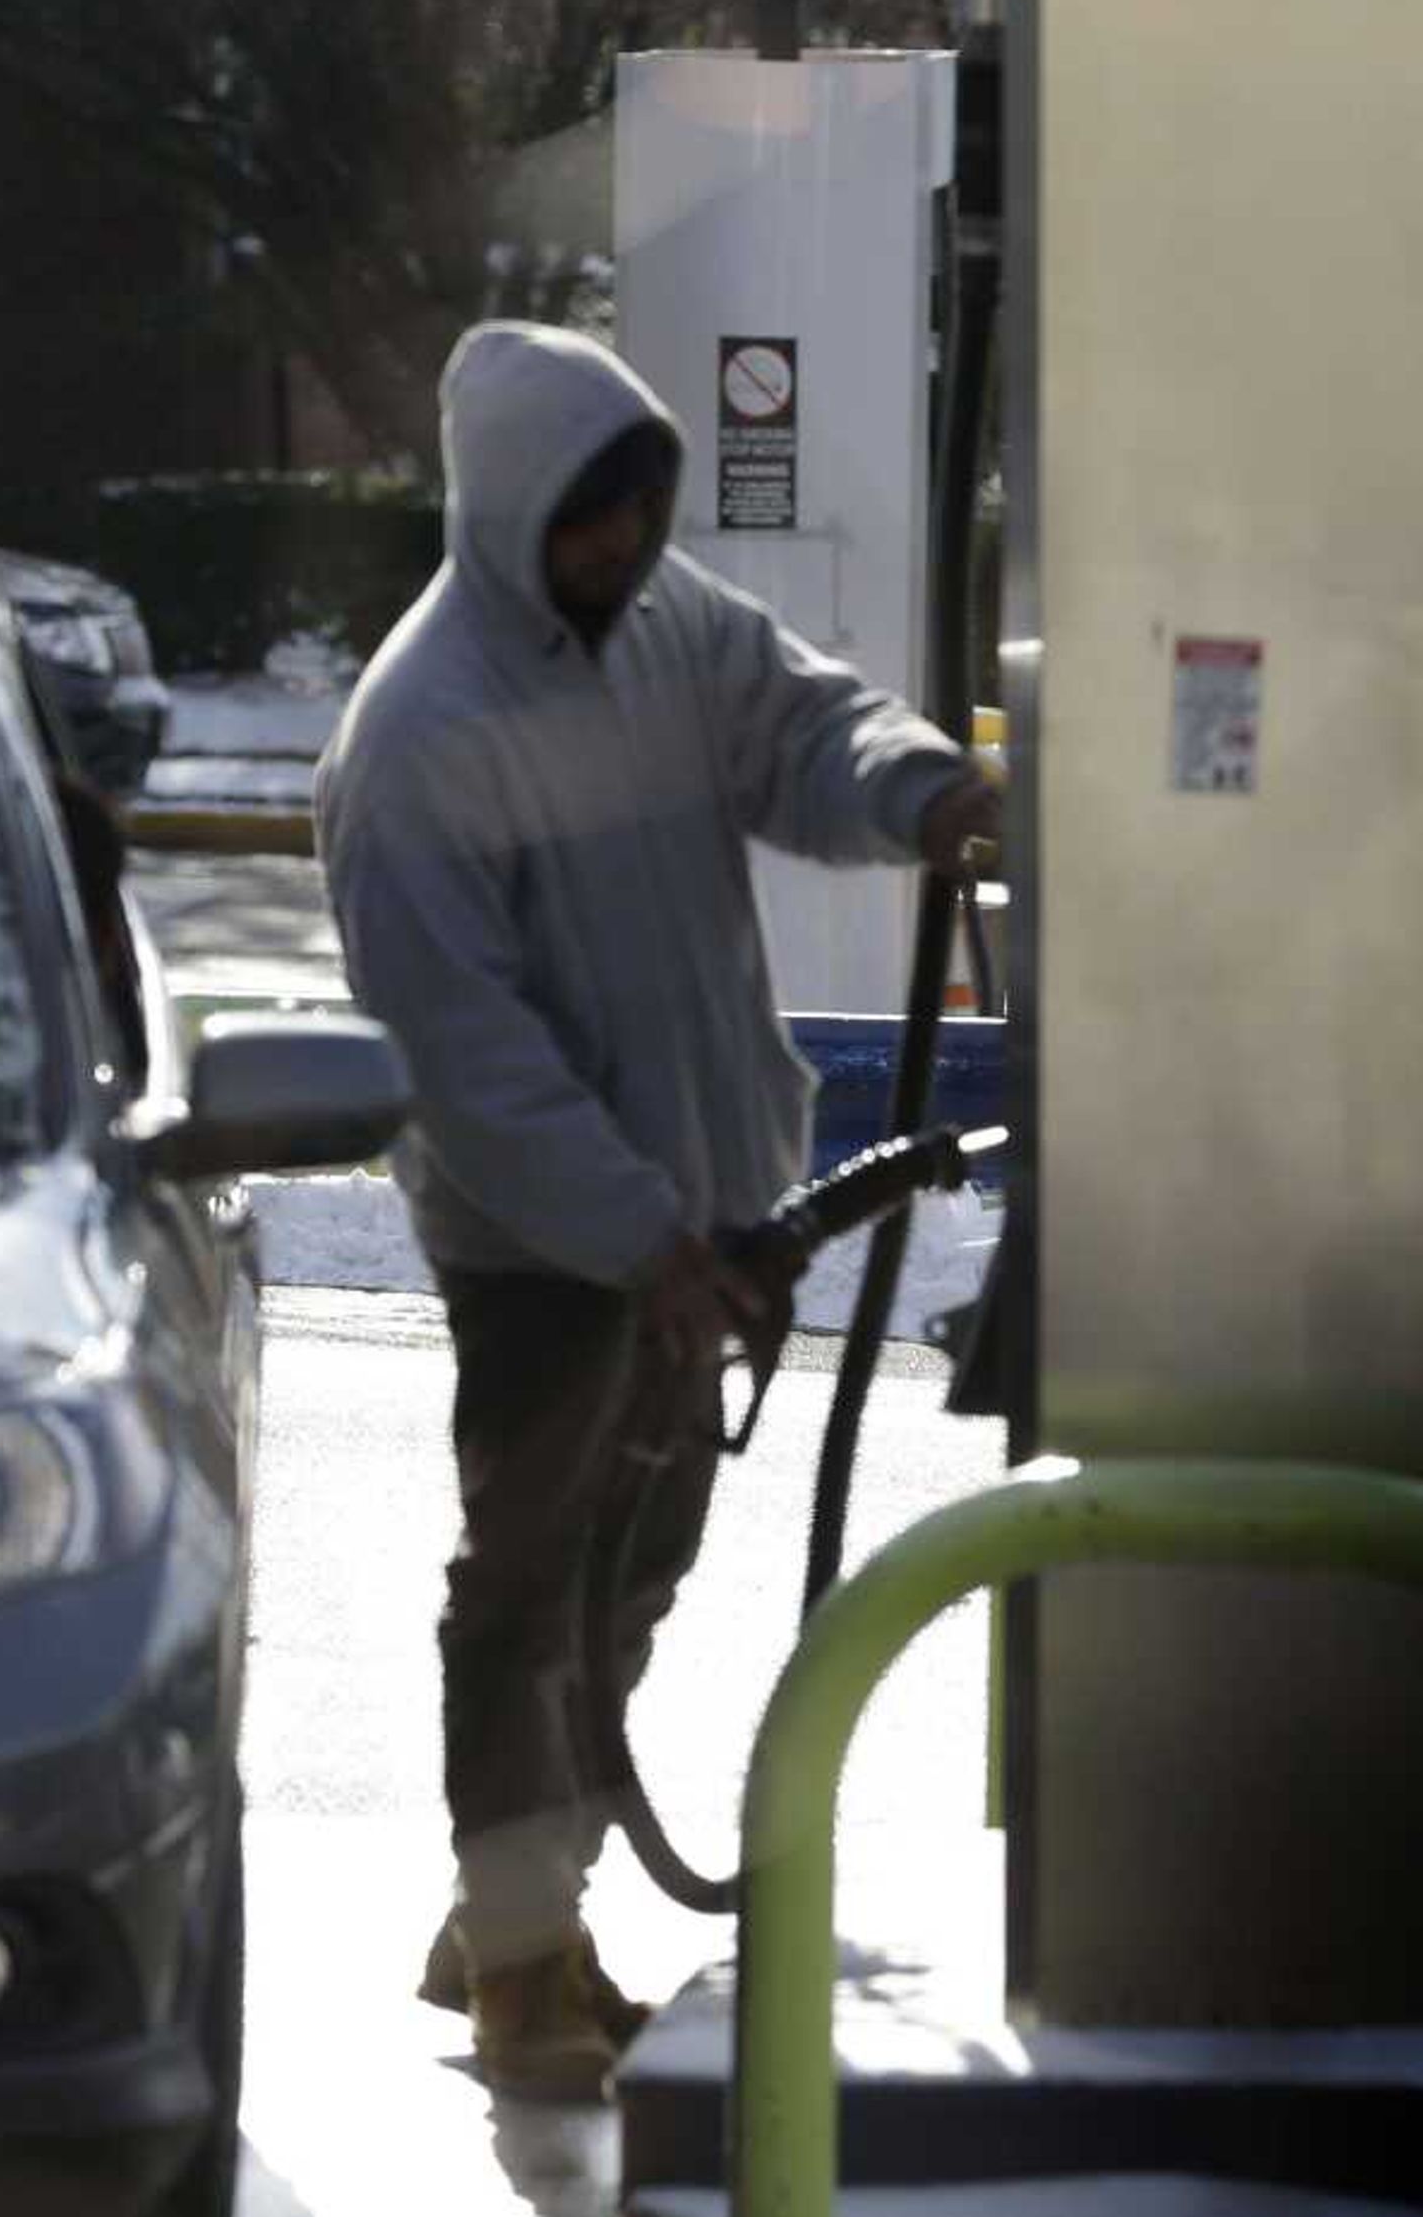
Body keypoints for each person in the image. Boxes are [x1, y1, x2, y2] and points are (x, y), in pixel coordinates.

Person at [316, 321, 1001, 2101]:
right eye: (588, 523)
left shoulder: (669, 631)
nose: (621, 551)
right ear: (508, 512)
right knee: (529, 1593)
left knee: (638, 1573)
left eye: (639, 513)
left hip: (701, 1212)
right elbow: (472, 1062)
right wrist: (642, 1240)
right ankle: (526, 1969)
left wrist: (929, 791)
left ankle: (514, 1904)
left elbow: (802, 724)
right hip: (549, 1248)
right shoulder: (421, 738)